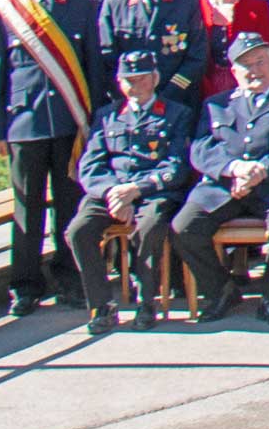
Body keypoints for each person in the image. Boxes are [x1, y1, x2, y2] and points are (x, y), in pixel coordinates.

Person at [0, 0, 99, 315]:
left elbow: (92, 67)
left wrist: (94, 121)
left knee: (69, 204)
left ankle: (69, 279)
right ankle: (25, 286)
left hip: (70, 123)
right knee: (26, 209)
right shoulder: (3, 11)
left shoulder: (80, 6)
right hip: (24, 124)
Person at [172, 32, 269, 327]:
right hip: (225, 187)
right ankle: (221, 291)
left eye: (260, 62)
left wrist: (263, 169)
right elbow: (200, 148)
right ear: (234, 72)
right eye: (246, 65)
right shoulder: (216, 104)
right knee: (184, 226)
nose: (255, 71)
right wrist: (233, 168)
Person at [65, 49, 193, 335]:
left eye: (142, 79)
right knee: (78, 231)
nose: (135, 86)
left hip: (151, 192)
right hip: (110, 194)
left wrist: (135, 190)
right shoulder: (107, 116)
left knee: (148, 228)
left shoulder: (176, 113)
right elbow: (90, 165)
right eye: (128, 80)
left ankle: (147, 303)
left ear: (155, 78)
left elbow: (177, 167)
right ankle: (101, 305)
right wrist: (114, 192)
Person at [99, 0, 207, 109]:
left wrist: (169, 95)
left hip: (178, 101)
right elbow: (108, 59)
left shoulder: (187, 0)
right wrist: (132, 95)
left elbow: (197, 57)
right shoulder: (114, 5)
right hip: (132, 104)